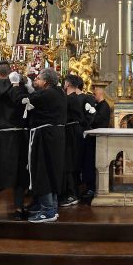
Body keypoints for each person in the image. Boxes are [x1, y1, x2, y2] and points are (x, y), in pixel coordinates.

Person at [0, 62, 29, 220]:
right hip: (16, 135)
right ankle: (19, 209)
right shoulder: (17, 87)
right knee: (18, 171)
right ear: (10, 73)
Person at [24, 67, 66, 222]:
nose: (36, 81)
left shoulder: (47, 94)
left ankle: (48, 210)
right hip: (54, 135)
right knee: (51, 170)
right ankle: (52, 207)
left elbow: (29, 98)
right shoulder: (59, 92)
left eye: (39, 79)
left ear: (46, 81)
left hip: (45, 135)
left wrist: (24, 87)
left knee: (43, 171)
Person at [60, 74, 95, 207]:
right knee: (70, 163)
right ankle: (72, 191)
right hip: (71, 131)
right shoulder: (70, 97)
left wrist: (83, 127)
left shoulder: (83, 98)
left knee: (73, 163)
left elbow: (89, 115)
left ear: (68, 84)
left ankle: (74, 193)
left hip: (77, 133)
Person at [81, 86, 111, 204]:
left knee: (93, 163)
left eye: (95, 94)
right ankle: (90, 187)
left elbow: (98, 121)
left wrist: (91, 114)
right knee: (89, 163)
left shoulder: (104, 106)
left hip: (98, 140)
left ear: (100, 94)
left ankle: (93, 188)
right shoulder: (98, 105)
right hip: (92, 139)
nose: (93, 96)